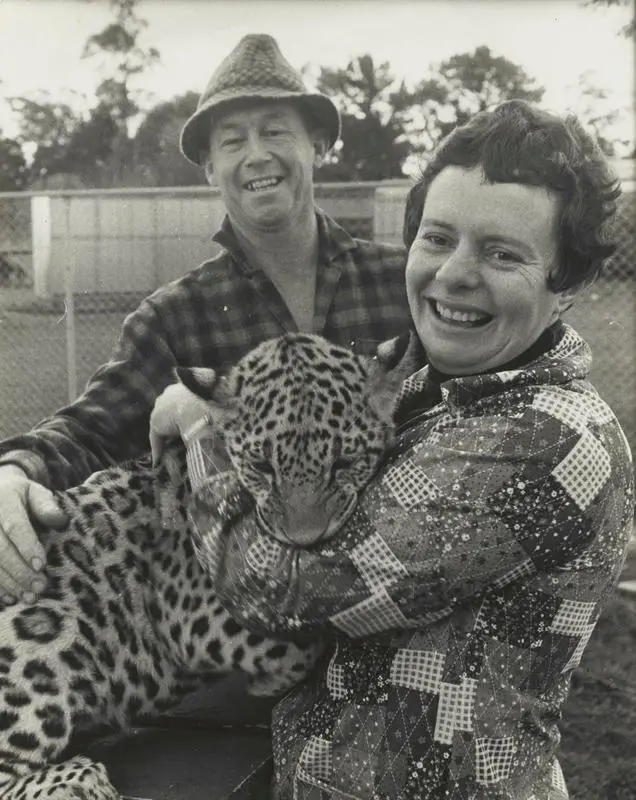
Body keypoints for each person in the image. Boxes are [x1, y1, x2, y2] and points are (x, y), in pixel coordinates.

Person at [184, 100, 634, 799]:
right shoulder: (427, 389)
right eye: (438, 238)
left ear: (566, 282)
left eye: (501, 252)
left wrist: (205, 433)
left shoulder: (546, 437)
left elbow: (282, 590)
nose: (454, 274)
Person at [0, 33, 410, 604]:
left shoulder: (404, 280)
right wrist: (13, 471)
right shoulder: (174, 315)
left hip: (397, 602)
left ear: (317, 144)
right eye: (232, 140)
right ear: (209, 170)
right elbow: (91, 430)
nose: (256, 154)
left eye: (274, 130)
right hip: (248, 627)